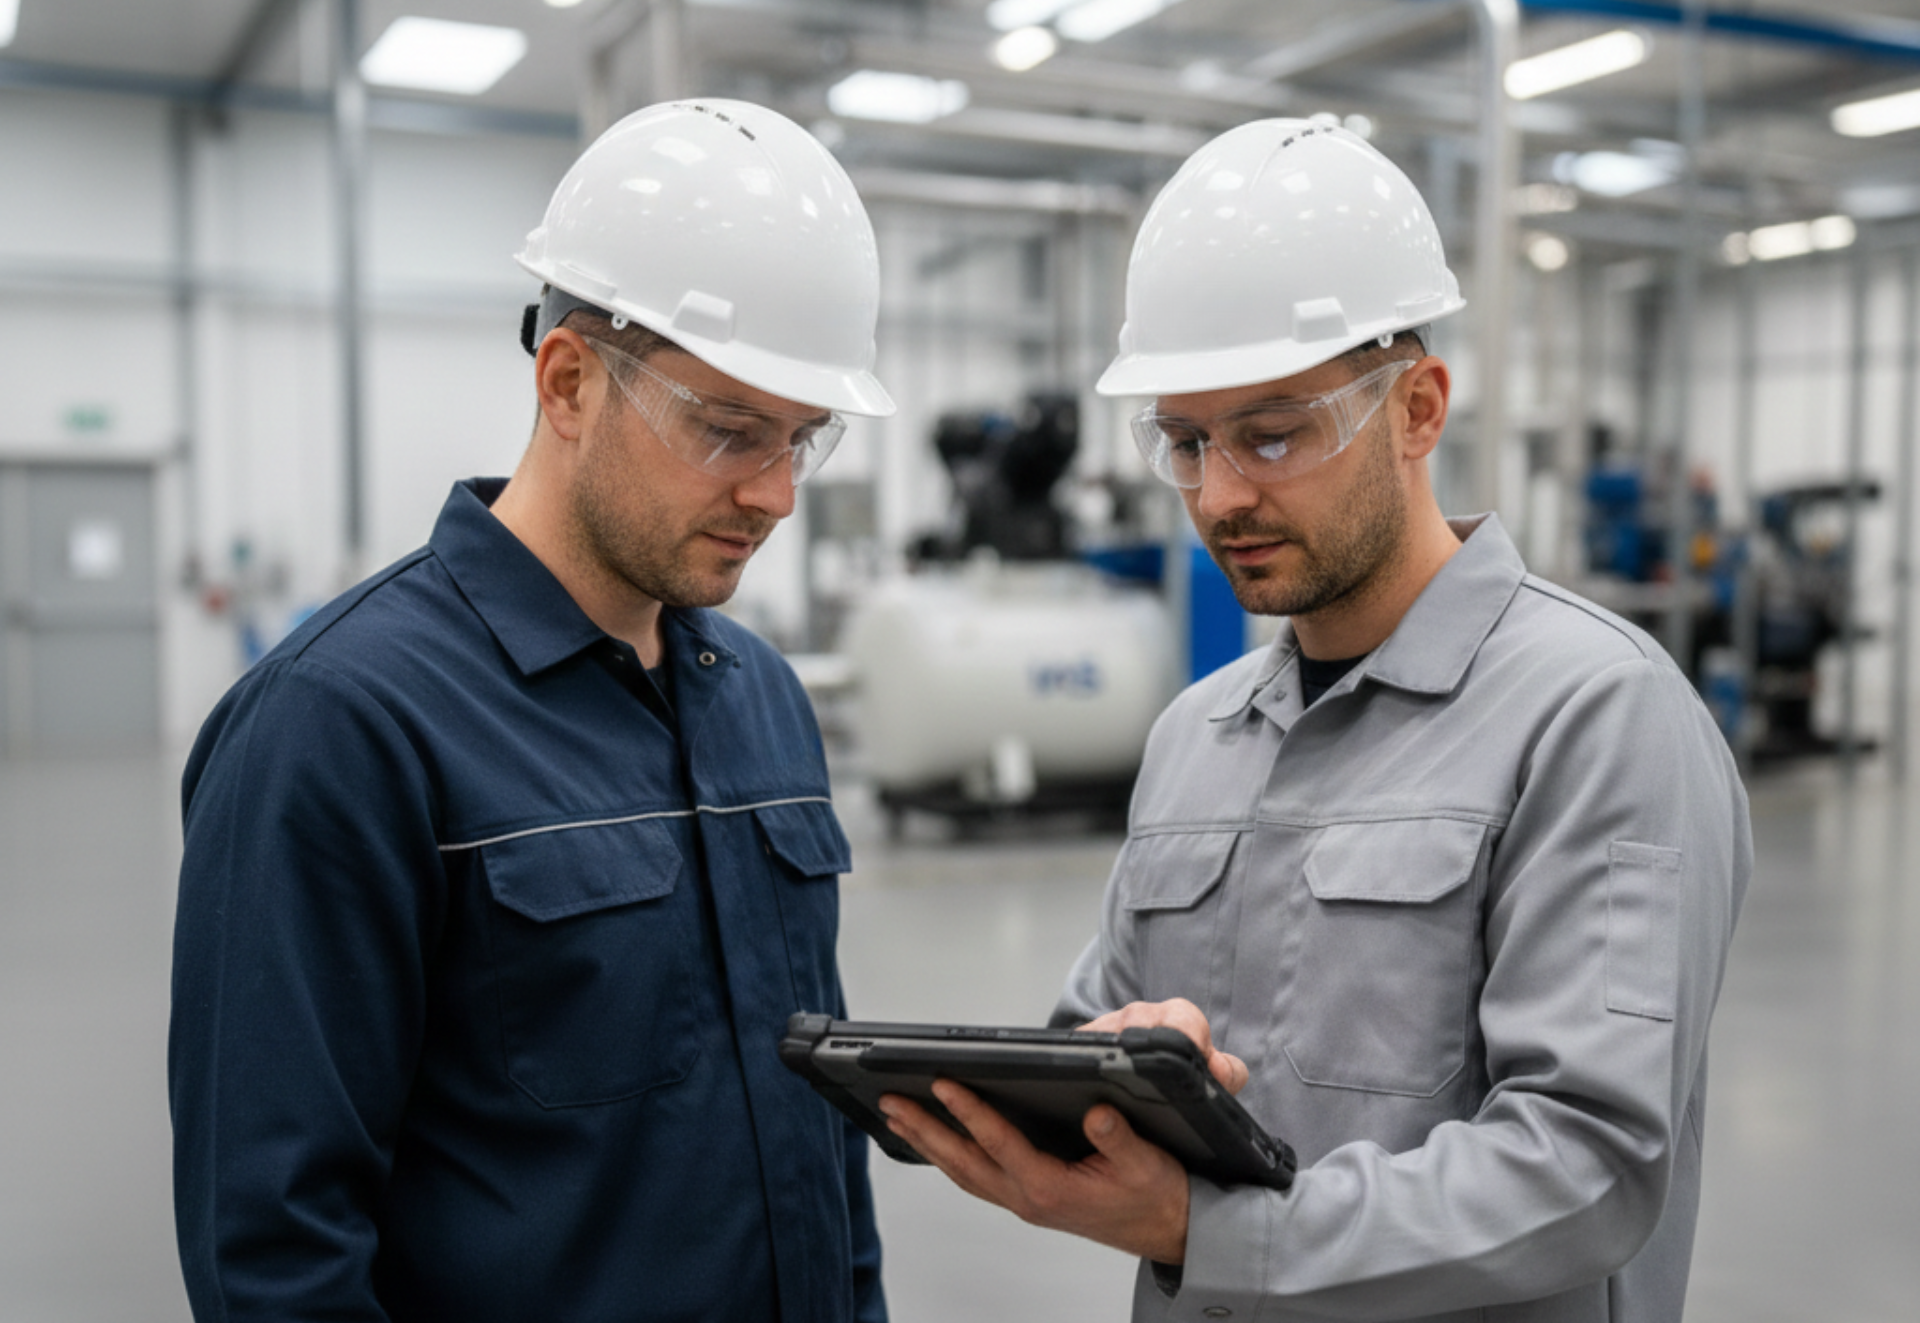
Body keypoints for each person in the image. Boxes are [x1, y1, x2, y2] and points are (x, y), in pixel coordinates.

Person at [880, 115, 1750, 1322]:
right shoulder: (1196, 734)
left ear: (1417, 409)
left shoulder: (1599, 715)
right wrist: (1116, 1062)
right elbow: (1094, 1022)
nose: (1224, 494)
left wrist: (1215, 1231)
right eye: (1185, 443)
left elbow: (1590, 1171)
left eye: (1276, 432)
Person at [169, 99, 894, 1323]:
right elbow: (274, 1253)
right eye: (728, 431)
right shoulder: (341, 726)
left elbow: (822, 1148)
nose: (774, 493)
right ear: (568, 382)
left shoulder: (761, 699)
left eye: (801, 441)